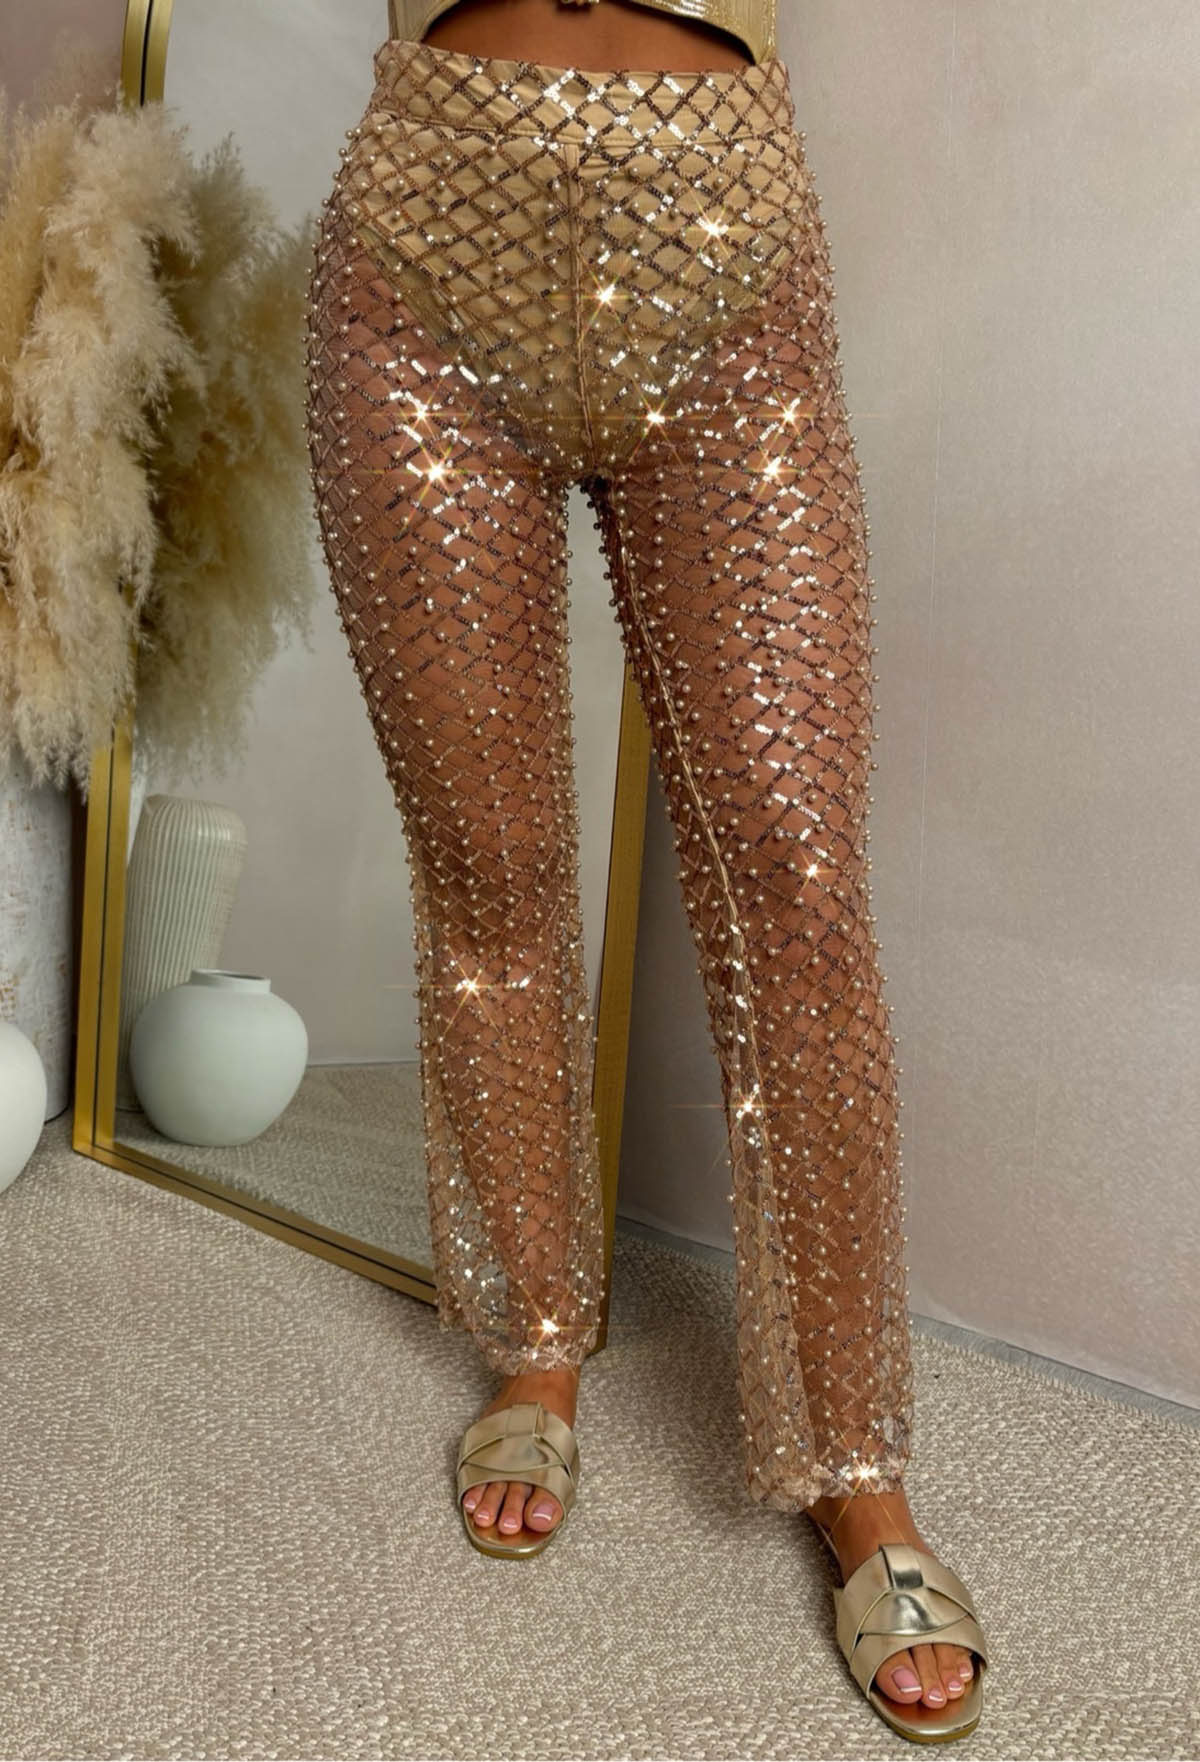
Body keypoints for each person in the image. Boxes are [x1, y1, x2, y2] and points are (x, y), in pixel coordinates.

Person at [304, 0, 989, 1741]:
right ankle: (536, 1330)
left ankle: (855, 1457)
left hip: (722, 238)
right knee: (492, 858)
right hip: (426, 238)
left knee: (798, 877)